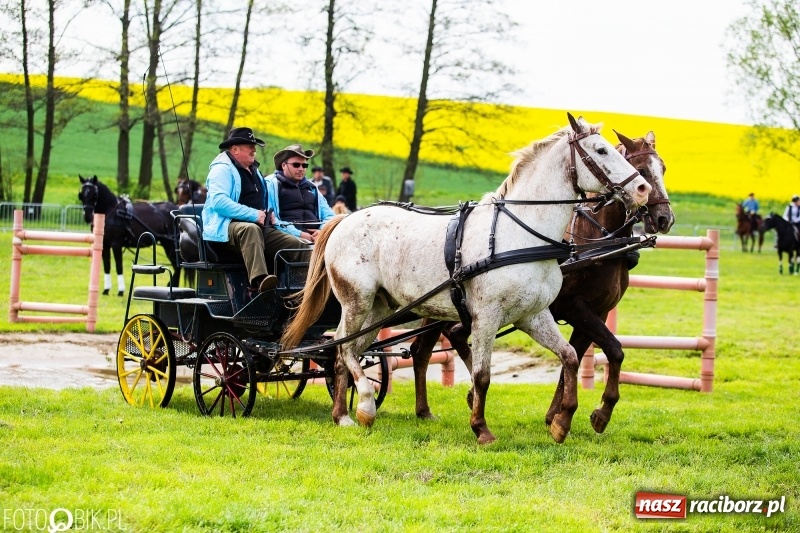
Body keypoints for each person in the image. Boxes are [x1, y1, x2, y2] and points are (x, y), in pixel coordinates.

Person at [201, 127, 308, 297]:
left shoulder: (254, 171)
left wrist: (267, 213)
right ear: (235, 149)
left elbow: (259, 201)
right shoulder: (221, 169)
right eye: (249, 146)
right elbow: (219, 202)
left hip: (258, 227)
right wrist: (254, 214)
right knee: (250, 230)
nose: (254, 149)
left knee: (299, 246)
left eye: (254, 146)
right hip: (226, 228)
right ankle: (260, 283)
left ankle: (304, 290)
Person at [266, 144, 335, 243]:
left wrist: (322, 230)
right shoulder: (271, 184)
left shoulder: (312, 187)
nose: (301, 168)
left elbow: (329, 215)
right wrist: (299, 234)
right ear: (284, 165)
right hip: (287, 237)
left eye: (304, 165)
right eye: (296, 165)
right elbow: (272, 219)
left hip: (318, 237)